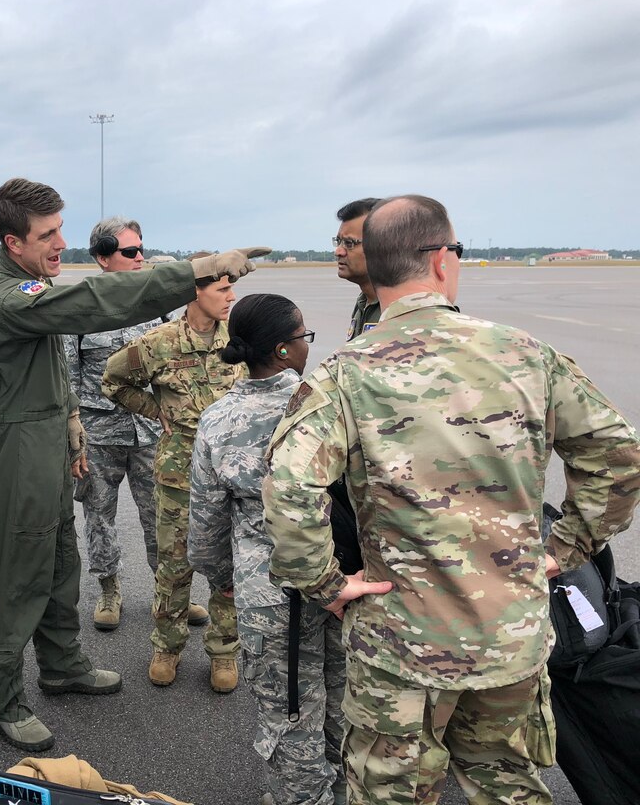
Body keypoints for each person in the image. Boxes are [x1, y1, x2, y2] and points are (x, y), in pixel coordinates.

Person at [264, 194, 640, 805]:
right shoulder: (525, 354)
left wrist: (327, 585)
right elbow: (619, 454)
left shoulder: (342, 372)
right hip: (510, 633)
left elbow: (288, 487)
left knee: (390, 792)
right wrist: (566, 546)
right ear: (441, 260)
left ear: (377, 267)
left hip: (399, 640)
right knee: (506, 784)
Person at [0, 177, 265, 752]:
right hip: (16, 451)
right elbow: (95, 303)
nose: (60, 243)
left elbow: (52, 366)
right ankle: (1, 701)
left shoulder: (29, 285)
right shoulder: (5, 297)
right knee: (16, 576)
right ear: (12, 241)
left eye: (60, 230)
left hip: (48, 438)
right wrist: (194, 271)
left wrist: (72, 422)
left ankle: (62, 666)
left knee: (58, 563)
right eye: (47, 235)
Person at [190, 294, 345, 805]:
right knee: (347, 701)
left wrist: (222, 578)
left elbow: (207, 522)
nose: (307, 347)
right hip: (345, 581)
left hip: (268, 589)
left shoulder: (217, 420)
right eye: (304, 338)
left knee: (290, 711)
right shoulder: (330, 406)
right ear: (282, 349)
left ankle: (305, 798)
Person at [62, 216, 208, 632]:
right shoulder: (79, 308)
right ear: (103, 258)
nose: (140, 257)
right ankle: (109, 590)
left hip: (150, 432)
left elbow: (174, 366)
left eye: (141, 248)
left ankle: (171, 594)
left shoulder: (156, 307)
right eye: (130, 252)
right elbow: (68, 375)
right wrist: (74, 435)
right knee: (98, 515)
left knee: (163, 516)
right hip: (98, 434)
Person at [102, 273, 245, 692]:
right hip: (178, 471)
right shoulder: (157, 342)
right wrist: (152, 409)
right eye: (222, 289)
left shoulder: (240, 338)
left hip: (229, 473)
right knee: (173, 565)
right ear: (195, 292)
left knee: (228, 565)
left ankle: (223, 652)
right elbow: (113, 381)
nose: (231, 297)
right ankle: (167, 646)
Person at [332, 198, 381, 340]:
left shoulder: (400, 309)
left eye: (349, 243)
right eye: (338, 242)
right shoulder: (364, 302)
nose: (338, 251)